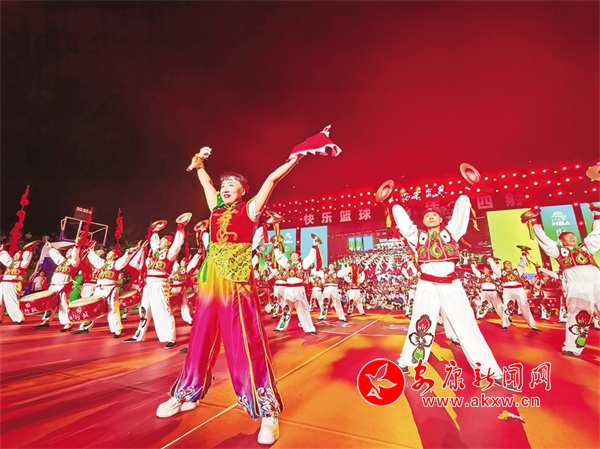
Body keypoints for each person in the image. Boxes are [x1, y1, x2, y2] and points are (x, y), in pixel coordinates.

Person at [156, 146, 308, 445]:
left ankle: (267, 412)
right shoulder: (215, 208)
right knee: (200, 338)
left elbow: (272, 179)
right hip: (210, 279)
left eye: (231, 184)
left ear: (243, 191)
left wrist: (295, 158)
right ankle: (186, 392)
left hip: (237, 282)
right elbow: (206, 183)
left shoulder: (249, 209)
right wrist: (200, 164)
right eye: (223, 184)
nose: (225, 188)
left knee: (245, 343)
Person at [389, 195, 517, 392]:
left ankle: (491, 371)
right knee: (421, 323)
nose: (431, 217)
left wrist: (465, 194)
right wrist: (392, 203)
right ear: (423, 221)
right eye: (427, 216)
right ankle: (406, 361)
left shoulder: (451, 233)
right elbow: (405, 225)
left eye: (434, 215)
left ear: (441, 219)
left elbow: (460, 214)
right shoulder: (418, 237)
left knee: (467, 325)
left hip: (451, 285)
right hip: (427, 286)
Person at [526, 207, 600, 356]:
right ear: (561, 240)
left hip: (597, 283)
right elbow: (545, 242)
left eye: (573, 236)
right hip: (577, 288)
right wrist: (535, 223)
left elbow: (596, 235)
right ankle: (572, 348)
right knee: (578, 315)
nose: (572, 238)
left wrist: (597, 215)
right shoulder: (559, 251)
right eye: (568, 236)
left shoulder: (586, 247)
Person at [124, 221, 186, 349]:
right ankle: (138, 335)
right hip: (149, 285)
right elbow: (153, 242)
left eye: (163, 240)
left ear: (168, 243)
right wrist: (156, 230)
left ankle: (170, 338)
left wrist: (180, 228)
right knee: (144, 310)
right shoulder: (155, 252)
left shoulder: (170, 254)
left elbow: (177, 244)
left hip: (160, 285)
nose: (160, 241)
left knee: (163, 310)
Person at [72, 243, 139, 337]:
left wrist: (129, 252)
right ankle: (84, 327)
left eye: (111, 253)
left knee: (112, 309)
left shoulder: (116, 264)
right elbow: (95, 259)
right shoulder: (103, 264)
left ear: (115, 256)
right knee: (93, 308)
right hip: (99, 289)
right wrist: (90, 251)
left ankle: (117, 329)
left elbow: (124, 259)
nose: (108, 254)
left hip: (110, 289)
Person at [32, 241, 81, 331]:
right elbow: (56, 256)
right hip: (54, 286)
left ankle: (67, 323)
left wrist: (76, 246)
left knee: (63, 305)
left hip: (63, 286)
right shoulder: (62, 262)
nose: (68, 252)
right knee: (49, 304)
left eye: (70, 251)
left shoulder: (74, 262)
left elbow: (75, 255)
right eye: (67, 251)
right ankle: (45, 321)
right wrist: (51, 248)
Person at [488, 251, 540, 332]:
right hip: (508, 290)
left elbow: (522, 264)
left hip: (519, 289)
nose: (508, 264)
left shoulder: (517, 270)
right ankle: (505, 324)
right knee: (507, 306)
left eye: (509, 263)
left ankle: (533, 325)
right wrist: (490, 259)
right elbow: (494, 268)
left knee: (524, 306)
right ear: (504, 265)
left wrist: (523, 254)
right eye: (506, 263)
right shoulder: (501, 272)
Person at [273, 248, 318, 335]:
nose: (293, 255)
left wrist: (314, 246)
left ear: (299, 256)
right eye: (292, 254)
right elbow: (279, 258)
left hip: (298, 289)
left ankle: (310, 329)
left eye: (295, 254)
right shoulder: (287, 264)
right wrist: (275, 247)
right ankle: (280, 327)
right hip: (288, 290)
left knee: (303, 309)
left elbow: (310, 258)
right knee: (286, 309)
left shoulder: (303, 264)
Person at [0, 243, 36, 324]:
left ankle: (18, 318)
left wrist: (28, 250)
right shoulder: (12, 263)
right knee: (0, 301)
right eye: (15, 254)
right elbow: (6, 258)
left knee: (12, 301)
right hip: (3, 284)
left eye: (18, 255)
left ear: (21, 256)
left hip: (12, 284)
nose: (15, 256)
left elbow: (27, 259)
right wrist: (2, 250)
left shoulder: (22, 264)